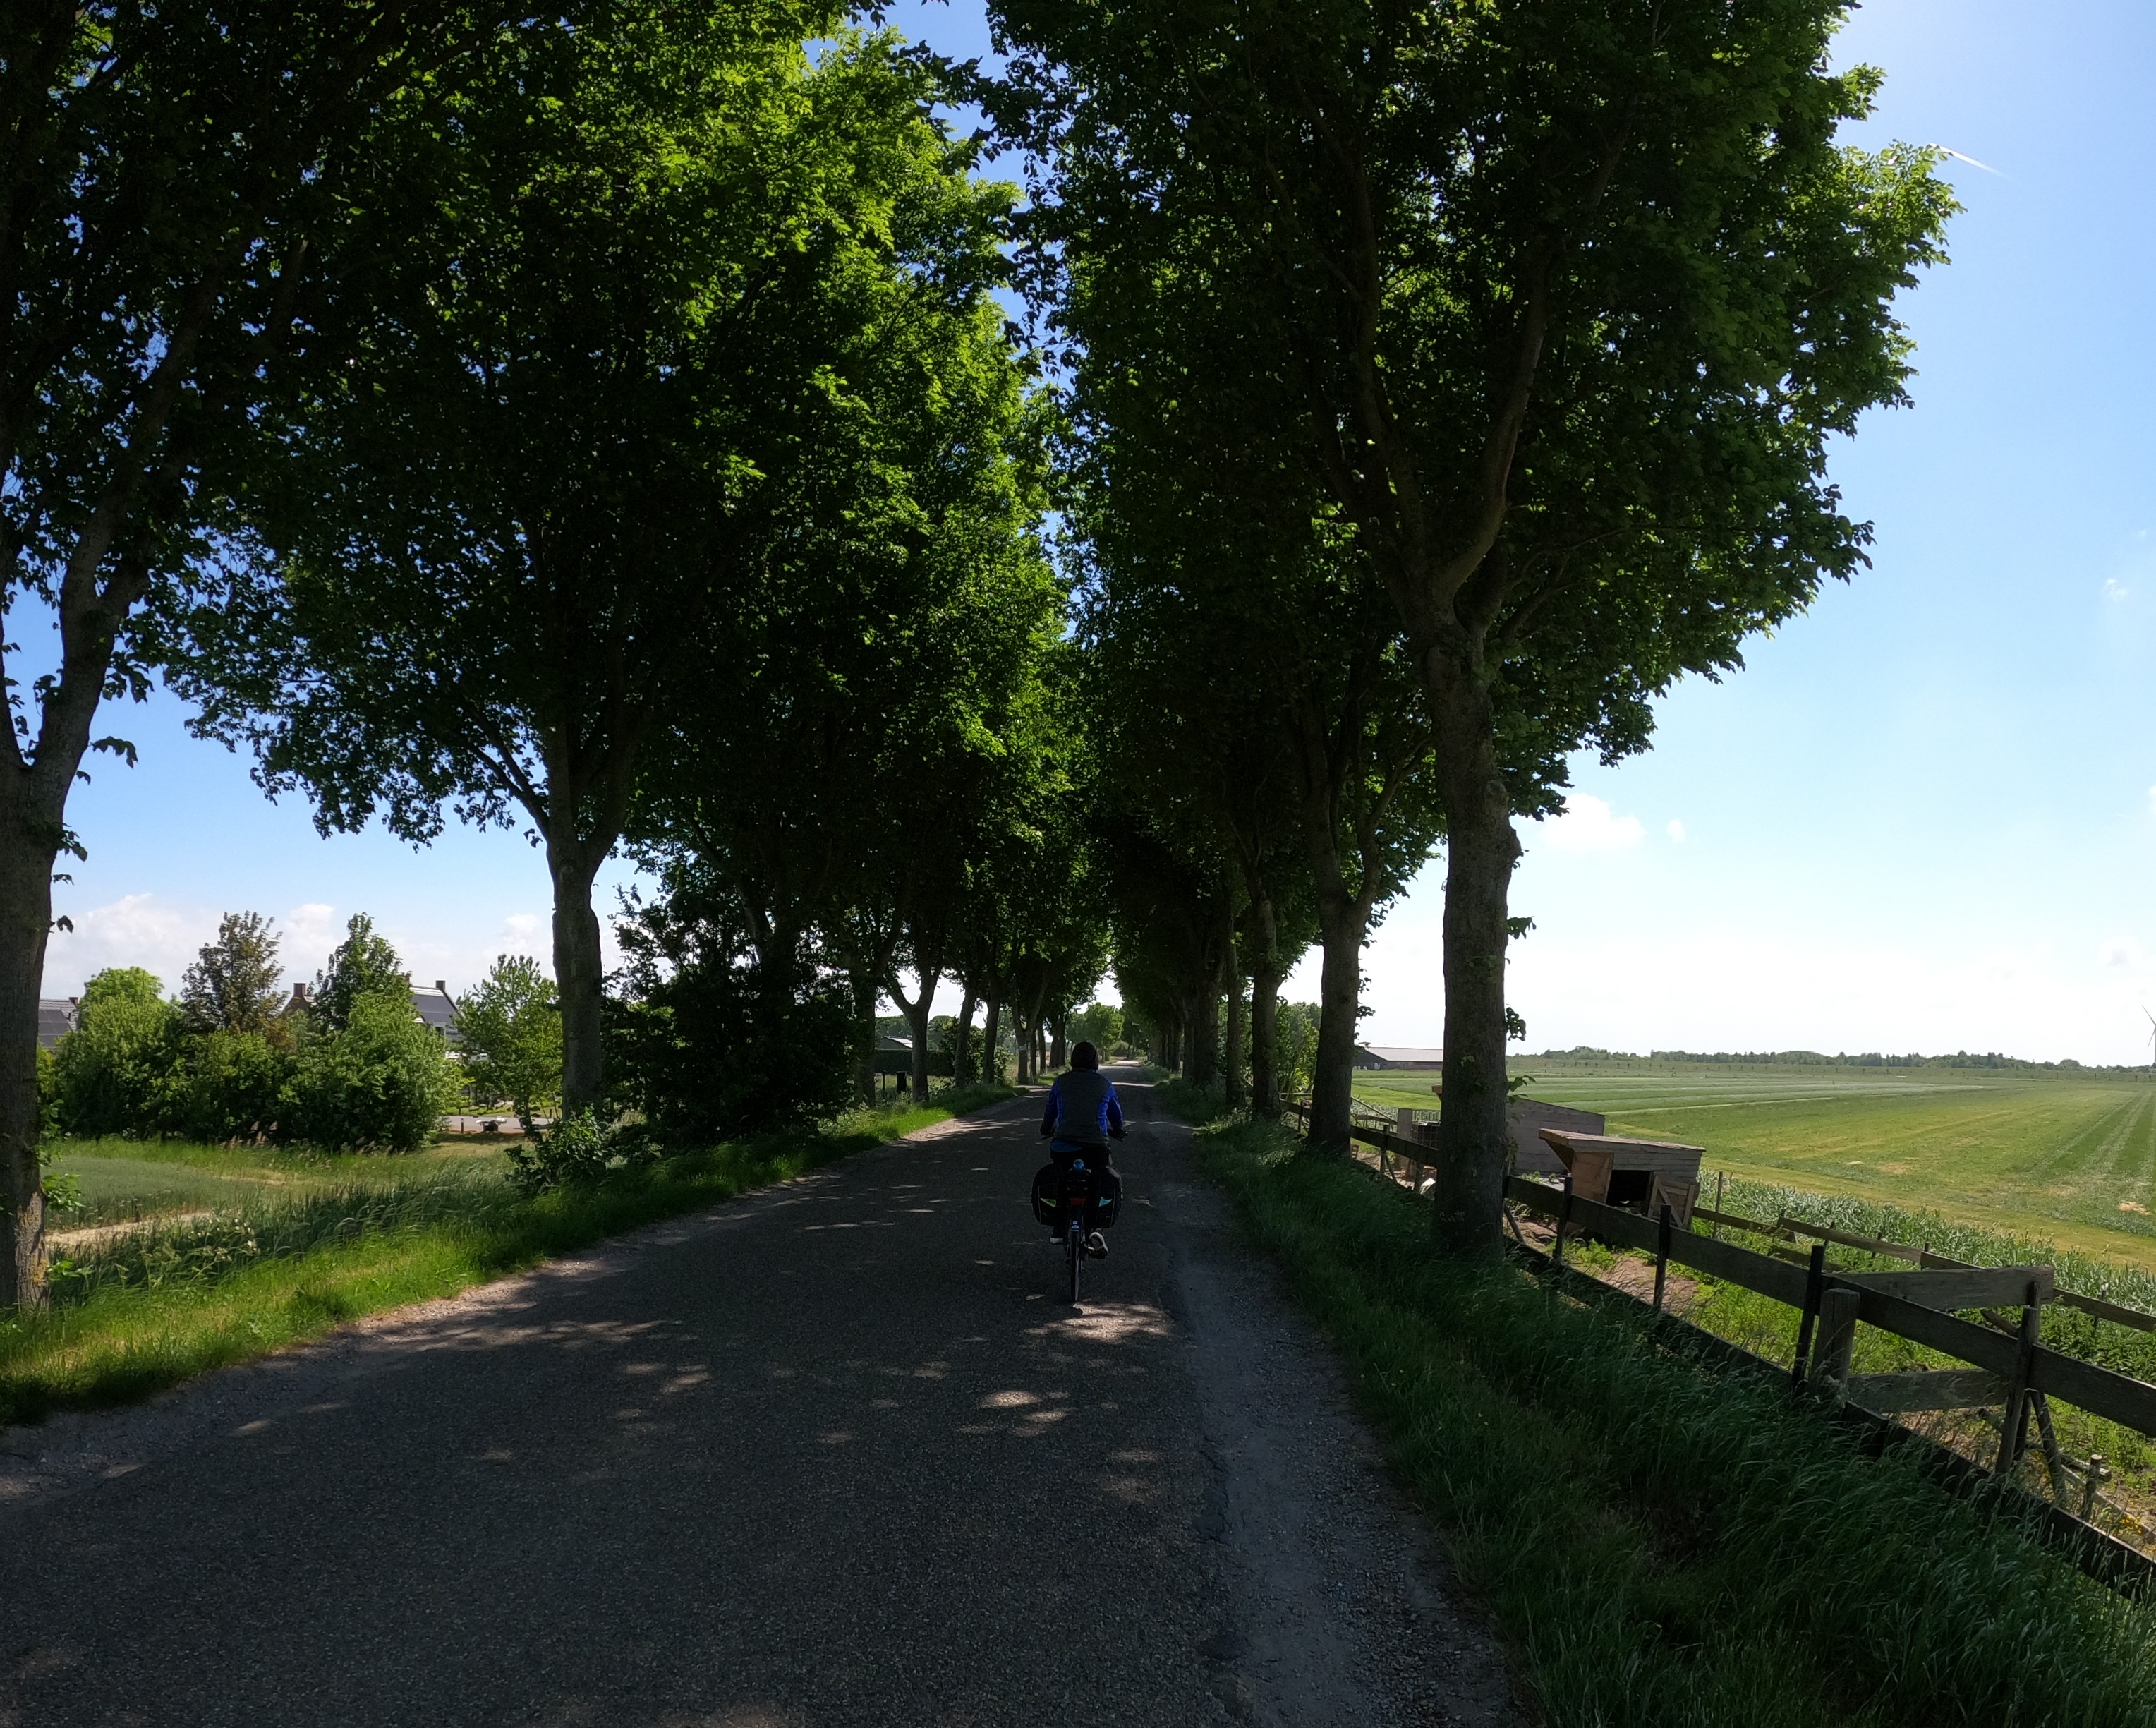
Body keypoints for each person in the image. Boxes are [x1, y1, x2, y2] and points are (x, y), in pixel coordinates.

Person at [1038, 1040, 1125, 1258]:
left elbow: (1051, 1111)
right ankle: (1096, 1230)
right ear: (1095, 1061)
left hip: (1063, 1147)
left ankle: (1059, 1226)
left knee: (1060, 1174)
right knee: (1102, 1176)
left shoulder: (1061, 1082)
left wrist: (1046, 1128)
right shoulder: (1104, 1084)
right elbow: (1116, 1115)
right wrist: (1118, 1130)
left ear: (1072, 1059)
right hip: (1096, 1147)